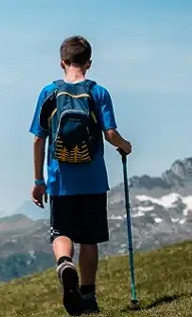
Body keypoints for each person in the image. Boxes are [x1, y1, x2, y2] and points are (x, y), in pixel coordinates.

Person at [28, 35, 132, 316]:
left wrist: (39, 181)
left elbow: (38, 139)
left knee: (61, 233)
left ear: (62, 62)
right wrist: (126, 146)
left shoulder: (49, 93)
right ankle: (88, 297)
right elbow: (110, 134)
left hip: (59, 179)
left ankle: (64, 264)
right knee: (89, 239)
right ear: (89, 63)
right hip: (93, 179)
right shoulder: (99, 93)